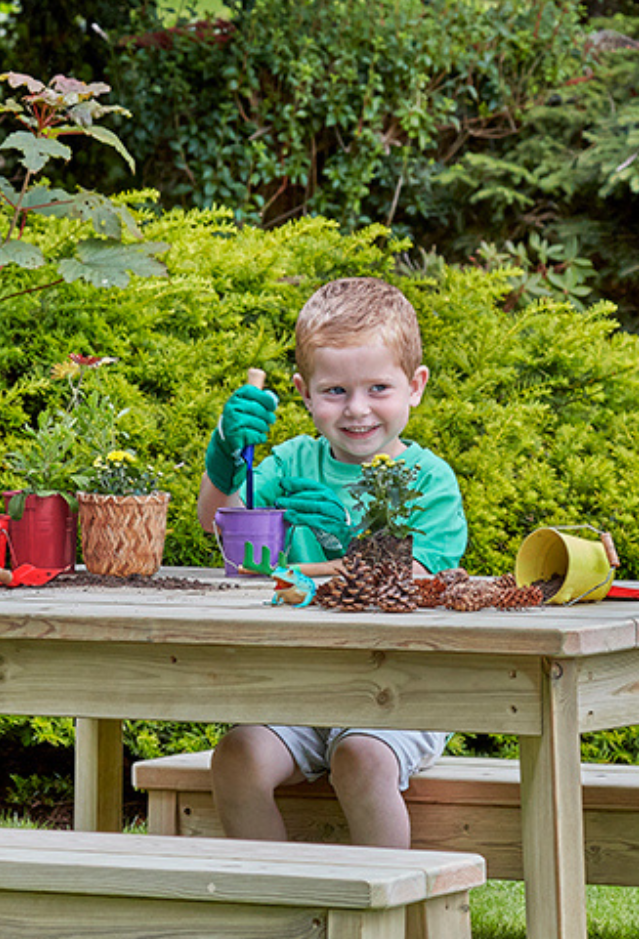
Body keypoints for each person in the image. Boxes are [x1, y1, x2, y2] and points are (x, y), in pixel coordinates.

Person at [195, 277, 469, 848]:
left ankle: (382, 900)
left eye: (378, 388)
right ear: (304, 392)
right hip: (302, 685)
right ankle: (275, 896)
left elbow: (416, 579)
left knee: (361, 757)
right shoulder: (292, 461)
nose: (357, 409)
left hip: (400, 690)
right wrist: (225, 450)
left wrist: (345, 542)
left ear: (415, 386)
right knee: (237, 756)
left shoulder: (429, 481)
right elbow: (221, 523)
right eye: (336, 391)